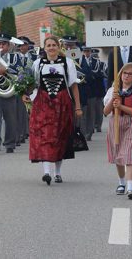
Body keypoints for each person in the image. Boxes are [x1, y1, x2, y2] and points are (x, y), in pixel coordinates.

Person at [23, 35, 83, 185]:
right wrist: (24, 94)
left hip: (62, 103)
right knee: (43, 135)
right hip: (42, 102)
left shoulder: (67, 63)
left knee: (59, 136)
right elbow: (31, 84)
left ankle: (58, 172)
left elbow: (73, 86)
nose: (51, 48)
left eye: (53, 45)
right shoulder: (37, 63)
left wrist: (78, 107)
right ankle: (46, 172)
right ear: (44, 48)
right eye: (48, 45)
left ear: (58, 47)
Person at [103, 62, 132, 200]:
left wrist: (121, 106)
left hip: (131, 123)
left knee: (129, 155)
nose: (126, 76)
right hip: (115, 123)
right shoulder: (112, 90)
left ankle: (130, 187)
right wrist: (113, 101)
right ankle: (121, 181)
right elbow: (105, 111)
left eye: (130, 74)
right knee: (118, 156)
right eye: (124, 73)